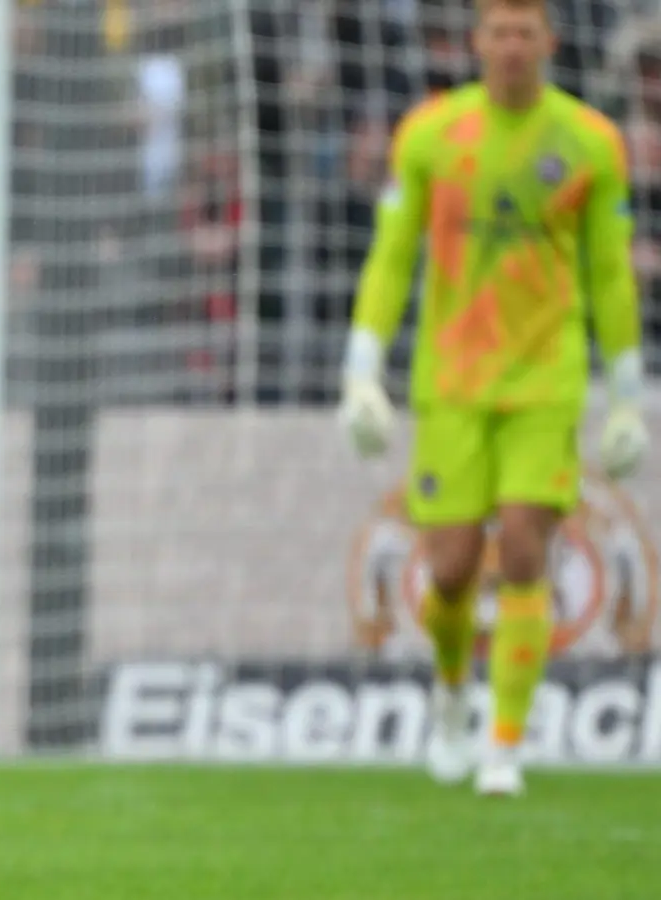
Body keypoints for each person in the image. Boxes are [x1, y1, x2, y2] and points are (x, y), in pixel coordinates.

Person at [337, 0, 647, 797]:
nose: (512, 47)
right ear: (477, 42)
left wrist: (625, 396)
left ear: (550, 42)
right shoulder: (432, 134)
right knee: (447, 571)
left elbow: (610, 274)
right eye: (499, 33)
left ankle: (504, 746)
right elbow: (391, 256)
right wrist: (360, 369)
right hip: (451, 382)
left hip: (545, 379)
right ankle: (450, 700)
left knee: (521, 548)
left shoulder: (589, 142)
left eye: (526, 33)